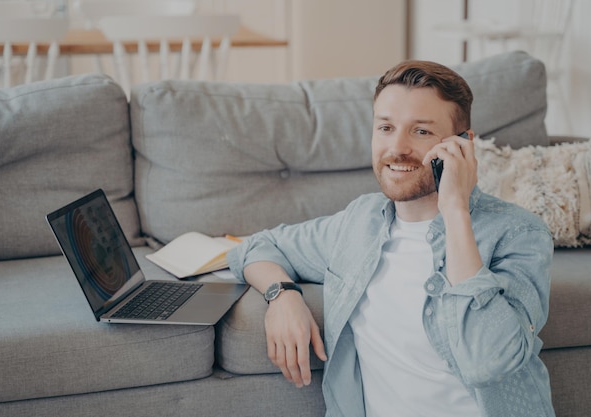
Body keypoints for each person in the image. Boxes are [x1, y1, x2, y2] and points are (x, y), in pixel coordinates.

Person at [227, 59, 555, 417]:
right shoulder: (358, 222)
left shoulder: (519, 235)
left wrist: (456, 210)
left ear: (462, 146)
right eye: (386, 127)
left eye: (421, 132)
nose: (397, 147)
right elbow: (255, 247)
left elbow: (486, 362)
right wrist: (282, 296)